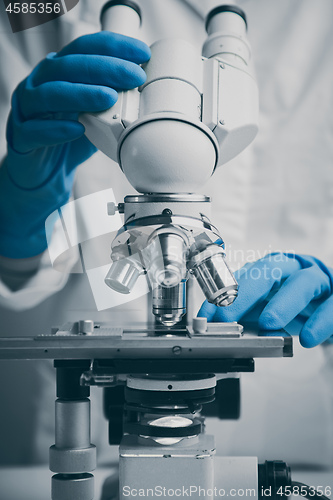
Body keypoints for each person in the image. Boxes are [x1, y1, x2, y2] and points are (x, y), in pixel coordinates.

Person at [0, 0, 333, 473]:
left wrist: (328, 286)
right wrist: (19, 200)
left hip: (292, 430)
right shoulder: (39, 8)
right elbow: (22, 269)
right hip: (95, 446)